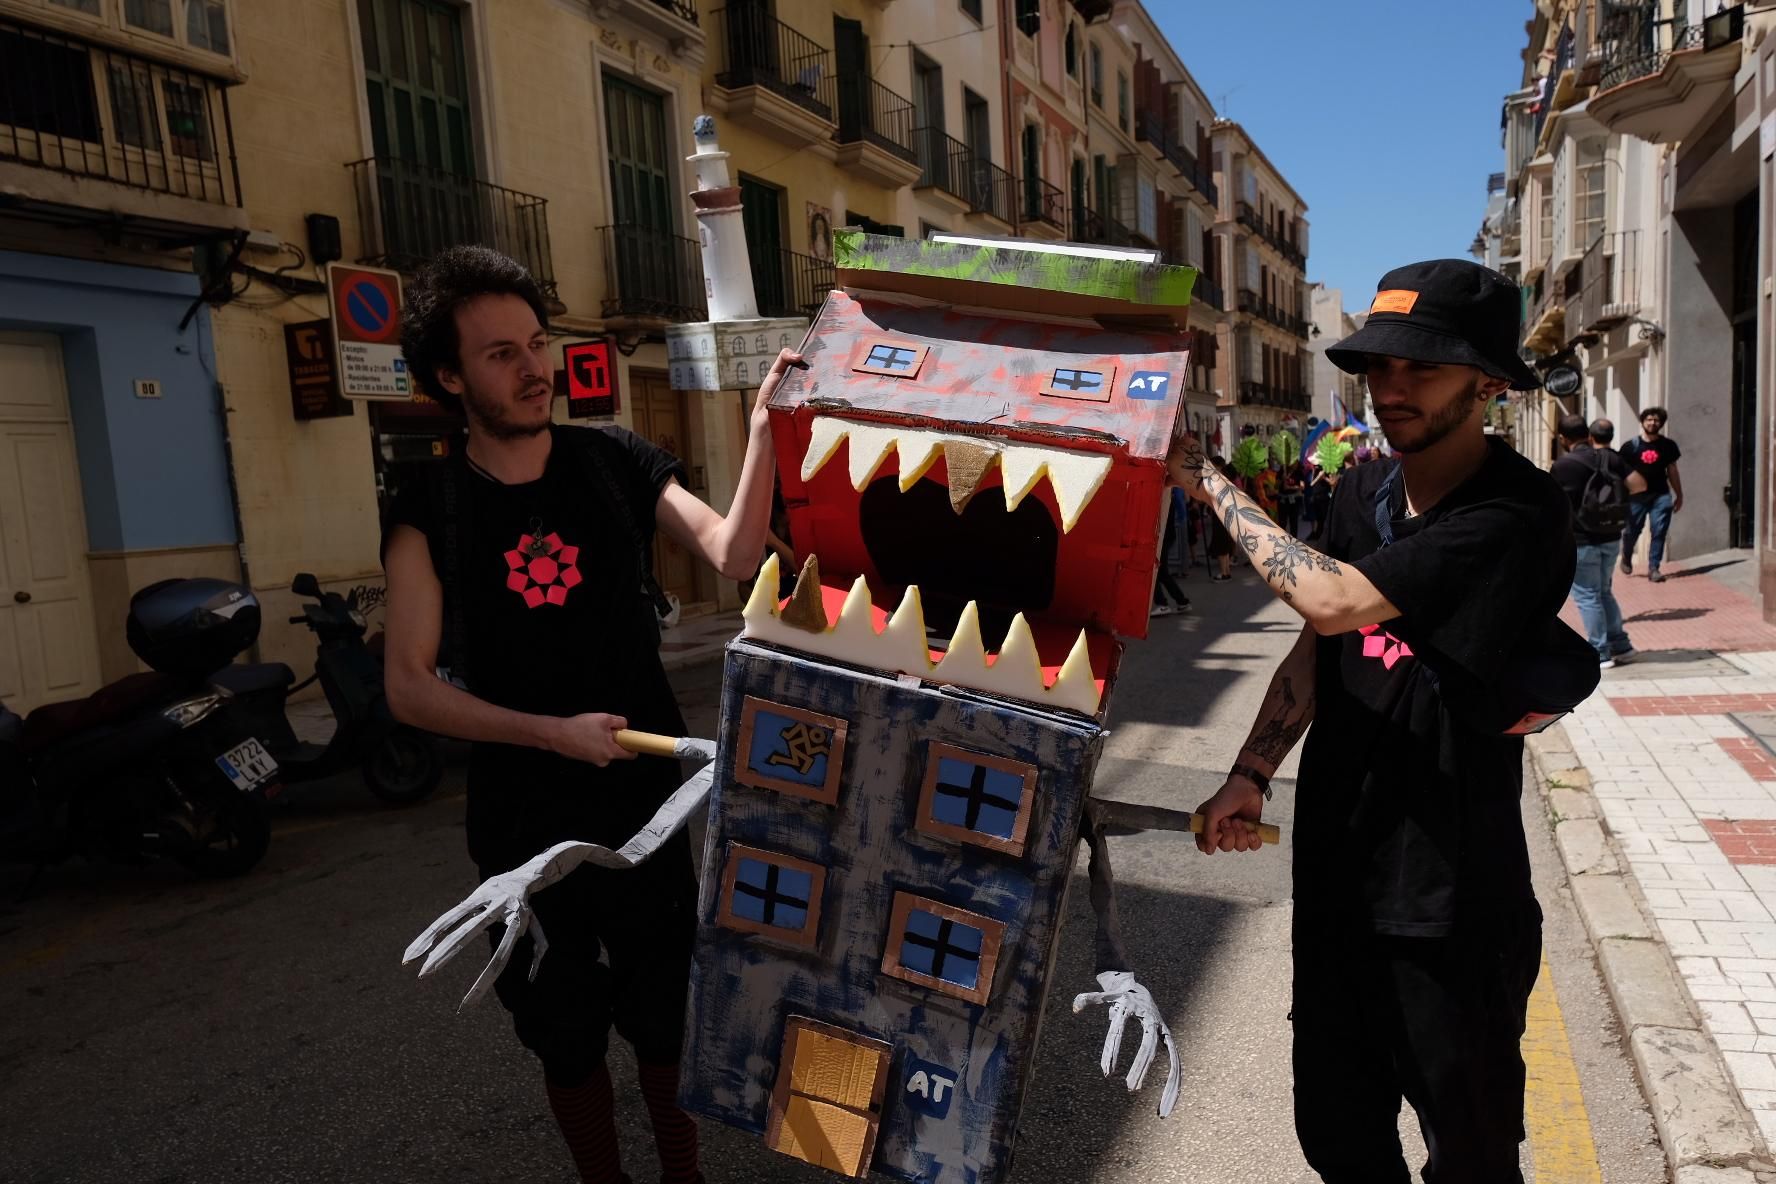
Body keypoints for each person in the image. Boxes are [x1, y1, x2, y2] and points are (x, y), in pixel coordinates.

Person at [381, 246, 789, 1184]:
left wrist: (763, 426)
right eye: (499, 354)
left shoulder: (612, 458)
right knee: (562, 1031)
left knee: (662, 1015)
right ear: (449, 376)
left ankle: (681, 1176)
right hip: (521, 819)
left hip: (643, 806)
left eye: (536, 343)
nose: (533, 368)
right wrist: (550, 733)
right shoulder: (431, 504)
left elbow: (732, 554)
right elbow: (409, 684)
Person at [1171, 259, 1574, 1183]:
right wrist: (1252, 770)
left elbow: (1336, 601)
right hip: (1340, 882)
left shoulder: (1517, 512)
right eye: (1377, 367)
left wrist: (1211, 484)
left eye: (1419, 369)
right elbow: (1319, 652)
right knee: (1338, 1136)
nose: (1390, 388)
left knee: (1468, 1157)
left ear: (1487, 381)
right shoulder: (1363, 494)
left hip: (1450, 904)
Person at [1552, 416, 1636, 668]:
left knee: (1588, 596)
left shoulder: (1564, 465)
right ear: (1588, 435)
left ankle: (1600, 651)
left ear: (1563, 439)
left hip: (1581, 539)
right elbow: (1639, 483)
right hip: (1611, 535)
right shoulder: (1610, 457)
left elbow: (1555, 507)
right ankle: (1621, 645)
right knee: (1604, 591)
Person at [1619, 406, 1683, 582]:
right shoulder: (1630, 447)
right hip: (1636, 497)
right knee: (1632, 530)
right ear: (1642, 422)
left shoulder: (1668, 446)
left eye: (1656, 420)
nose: (1652, 423)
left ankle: (1654, 567)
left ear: (1661, 423)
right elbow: (1621, 474)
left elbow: (1672, 470)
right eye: (1649, 419)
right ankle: (1626, 554)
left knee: (1659, 531)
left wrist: (1679, 494)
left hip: (1661, 495)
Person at [1152, 492, 1191, 616]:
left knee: (1157, 572)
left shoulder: (1164, 497)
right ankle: (1181, 601)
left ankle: (1163, 603)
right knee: (1160, 572)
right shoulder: (1169, 495)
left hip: (1162, 537)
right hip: (1165, 536)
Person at [1204, 457, 1237, 581]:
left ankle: (1224, 573)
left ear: (1218, 466)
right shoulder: (1225, 478)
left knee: (1221, 542)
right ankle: (1226, 571)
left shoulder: (1219, 479)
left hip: (1221, 513)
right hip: (1226, 513)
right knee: (1225, 542)